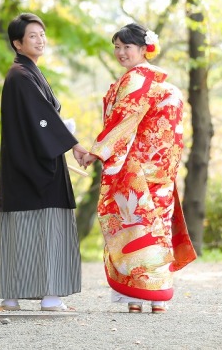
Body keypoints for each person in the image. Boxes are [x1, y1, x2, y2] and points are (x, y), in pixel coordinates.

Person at [80, 23, 196, 313]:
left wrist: (97, 152)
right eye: (117, 47)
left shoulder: (136, 80)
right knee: (156, 228)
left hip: (137, 168)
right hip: (162, 169)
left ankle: (136, 297)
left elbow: (124, 119)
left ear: (144, 49)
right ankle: (157, 298)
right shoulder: (163, 85)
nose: (120, 53)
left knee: (135, 225)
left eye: (126, 47)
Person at [0, 13, 88, 312]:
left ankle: (13, 295)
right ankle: (50, 295)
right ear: (18, 44)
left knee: (21, 227)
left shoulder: (25, 73)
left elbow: (44, 119)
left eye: (42, 34)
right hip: (36, 164)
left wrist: (64, 134)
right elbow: (43, 119)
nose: (40, 39)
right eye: (32, 36)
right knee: (46, 226)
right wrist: (73, 144)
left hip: (25, 161)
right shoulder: (21, 75)